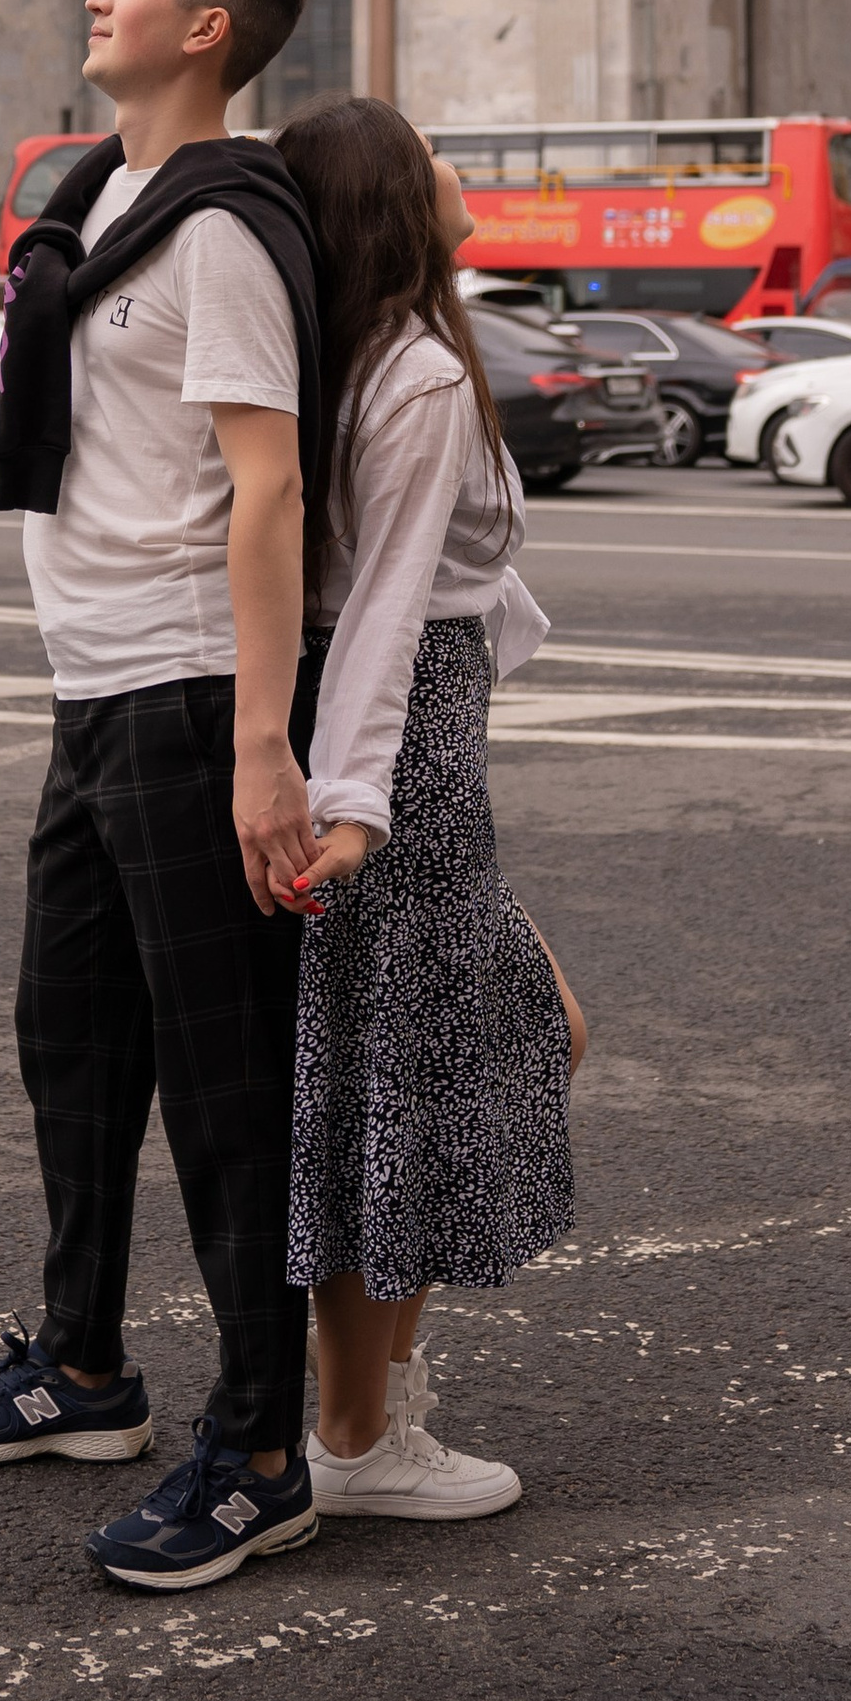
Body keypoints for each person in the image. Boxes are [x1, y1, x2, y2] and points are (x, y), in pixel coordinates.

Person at [0, 0, 332, 1594]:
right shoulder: (102, 200)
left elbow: (269, 483)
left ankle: (262, 1447)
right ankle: (83, 1366)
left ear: (205, 28)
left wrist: (260, 743)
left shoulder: (225, 224)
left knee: (226, 1087)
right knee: (70, 1042)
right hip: (89, 688)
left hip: (178, 693)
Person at [274, 97, 585, 1521]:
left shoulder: (364, 356)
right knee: (400, 1083)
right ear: (399, 200)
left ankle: (370, 1408)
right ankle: (357, 1434)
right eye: (428, 151)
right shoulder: (412, 373)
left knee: (428, 1065)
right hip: (407, 762)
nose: (458, 164)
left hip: (400, 745)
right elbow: (388, 610)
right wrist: (354, 803)